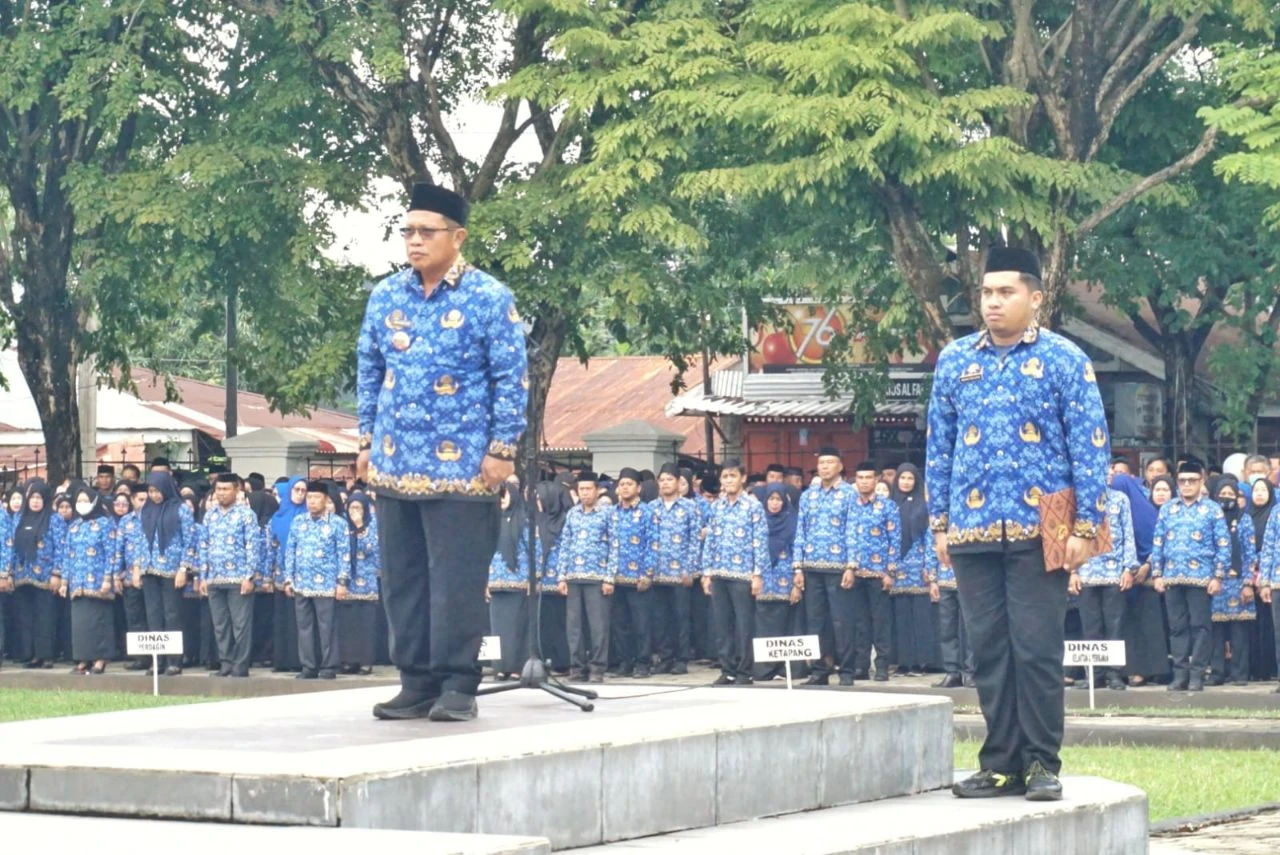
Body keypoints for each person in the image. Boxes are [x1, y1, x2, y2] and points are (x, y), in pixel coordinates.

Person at [927, 246, 1110, 802]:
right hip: (973, 527)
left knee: (1035, 649)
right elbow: (939, 445)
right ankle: (1000, 763)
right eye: (986, 292)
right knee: (987, 650)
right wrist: (939, 521)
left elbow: (1091, 444)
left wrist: (1087, 525)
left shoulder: (1064, 359)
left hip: (1043, 529)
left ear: (1035, 297)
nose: (993, 303)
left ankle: (1040, 764)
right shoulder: (955, 361)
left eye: (1006, 292)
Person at [356, 182, 527, 723]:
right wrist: (364, 440)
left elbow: (510, 377)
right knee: (403, 578)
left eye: (426, 231)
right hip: (394, 460)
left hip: (464, 466)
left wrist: (502, 449)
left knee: (455, 581)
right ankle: (416, 680)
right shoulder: (386, 295)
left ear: (458, 237)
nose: (414, 240)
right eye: (406, 231)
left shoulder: (489, 297)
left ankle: (458, 683)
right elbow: (367, 369)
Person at [1151, 461, 1231, 692]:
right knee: (1177, 628)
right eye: (1182, 481)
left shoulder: (1212, 509)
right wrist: (1157, 573)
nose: (1186, 485)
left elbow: (1223, 545)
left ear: (1201, 481)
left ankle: (1197, 674)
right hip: (1172, 577)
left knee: (1201, 627)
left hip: (1202, 578)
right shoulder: (1168, 508)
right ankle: (1180, 674)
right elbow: (1158, 542)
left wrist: (1218, 576)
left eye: (1192, 481)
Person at [791, 447, 858, 685]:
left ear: (840, 466)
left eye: (830, 462)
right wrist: (797, 568)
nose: (825, 467)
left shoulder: (850, 494)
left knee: (842, 621)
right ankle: (819, 670)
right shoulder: (809, 495)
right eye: (822, 463)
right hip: (811, 566)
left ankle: (847, 670)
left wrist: (851, 566)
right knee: (815, 622)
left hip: (839, 567)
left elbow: (853, 530)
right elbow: (801, 531)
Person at [702, 459, 769, 685]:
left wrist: (758, 574)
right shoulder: (717, 506)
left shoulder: (753, 506)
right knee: (722, 624)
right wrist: (707, 572)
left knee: (744, 625)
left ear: (743, 478)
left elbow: (760, 541)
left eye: (733, 476)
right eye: (725, 477)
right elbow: (710, 540)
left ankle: (744, 670)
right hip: (719, 572)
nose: (729, 480)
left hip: (743, 574)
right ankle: (727, 668)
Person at [1071, 481, 1138, 691]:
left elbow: (1129, 534)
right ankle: (1094, 674)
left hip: (1114, 571)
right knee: (1090, 626)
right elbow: (1068, 535)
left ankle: (1115, 674)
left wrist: (1129, 568)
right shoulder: (1078, 499)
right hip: (1086, 571)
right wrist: (1071, 571)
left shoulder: (1120, 499)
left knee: (1115, 625)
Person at [281, 481, 350, 681]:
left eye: (316, 497)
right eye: (309, 498)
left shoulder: (337, 523)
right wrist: (288, 578)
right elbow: (290, 551)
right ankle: (308, 666)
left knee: (327, 627)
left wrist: (342, 581)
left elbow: (344, 554)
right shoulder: (298, 522)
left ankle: (328, 666)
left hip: (327, 584)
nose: (312, 502)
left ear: (326, 499)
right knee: (304, 627)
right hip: (301, 583)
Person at [555, 471, 615, 683]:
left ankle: (597, 668)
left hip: (597, 576)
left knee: (598, 626)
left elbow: (614, 546)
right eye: (581, 489)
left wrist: (609, 578)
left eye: (589, 489)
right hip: (573, 577)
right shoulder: (573, 513)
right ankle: (577, 668)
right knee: (574, 627)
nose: (585, 493)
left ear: (597, 490)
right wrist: (561, 576)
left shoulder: (607, 513)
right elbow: (565, 545)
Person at [199, 473, 260, 678]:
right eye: (218, 489)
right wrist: (203, 576)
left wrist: (249, 576)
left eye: (226, 489)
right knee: (220, 624)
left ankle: (240, 664)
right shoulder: (210, 515)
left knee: (240, 624)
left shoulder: (246, 515)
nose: (222, 493)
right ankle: (225, 662)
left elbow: (252, 546)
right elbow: (204, 546)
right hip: (215, 577)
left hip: (238, 577)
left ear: (236, 490)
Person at [1112, 473, 1170, 686]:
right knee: (1128, 626)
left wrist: (1146, 566)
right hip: (1123, 577)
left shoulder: (1148, 514)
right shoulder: (1116, 510)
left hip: (1146, 579)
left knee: (1148, 624)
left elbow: (1159, 543)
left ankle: (1153, 670)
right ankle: (1132, 670)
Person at [850, 460, 900, 682]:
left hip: (879, 573)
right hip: (855, 572)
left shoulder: (888, 506)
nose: (864, 482)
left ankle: (882, 665)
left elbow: (895, 540)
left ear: (876, 479)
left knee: (881, 622)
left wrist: (891, 571)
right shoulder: (850, 505)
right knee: (859, 622)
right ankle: (861, 665)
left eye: (868, 477)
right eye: (860, 478)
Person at [60, 485, 118, 675]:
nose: (82, 504)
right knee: (80, 624)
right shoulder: (74, 526)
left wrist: (108, 578)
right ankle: (83, 659)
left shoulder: (105, 524)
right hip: (78, 582)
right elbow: (67, 555)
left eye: (86, 500)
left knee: (99, 622)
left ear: (94, 502)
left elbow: (111, 553)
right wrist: (64, 582)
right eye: (79, 501)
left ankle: (100, 659)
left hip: (99, 581)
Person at [648, 462, 700, 675]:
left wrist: (690, 569)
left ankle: (681, 659)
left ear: (679, 483)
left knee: (681, 617)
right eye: (662, 480)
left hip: (681, 574)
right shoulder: (651, 507)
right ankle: (665, 657)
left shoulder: (690, 507)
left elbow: (695, 540)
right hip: (657, 573)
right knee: (660, 619)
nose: (665, 483)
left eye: (670, 479)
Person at [1207, 477, 1256, 686]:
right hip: (1214, 581)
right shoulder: (1208, 518)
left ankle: (1239, 674)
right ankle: (1217, 672)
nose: (1226, 498)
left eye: (1231, 494)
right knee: (1214, 630)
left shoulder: (1244, 519)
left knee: (1239, 630)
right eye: (1222, 494)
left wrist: (1247, 583)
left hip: (1238, 582)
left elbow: (1250, 553)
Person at [12, 480, 67, 669]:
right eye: (32, 497)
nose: (35, 502)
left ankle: (47, 655)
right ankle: (33, 654)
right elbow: (12, 546)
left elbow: (61, 547)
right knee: (27, 618)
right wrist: (9, 573)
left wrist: (56, 573)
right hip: (22, 576)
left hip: (45, 577)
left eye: (39, 498)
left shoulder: (54, 519)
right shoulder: (20, 517)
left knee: (46, 617)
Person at [890, 463, 937, 677]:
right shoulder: (889, 505)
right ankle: (902, 662)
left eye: (910, 478)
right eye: (902, 478)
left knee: (921, 618)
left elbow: (929, 540)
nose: (906, 482)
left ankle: (922, 662)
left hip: (918, 568)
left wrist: (929, 567)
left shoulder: (924, 505)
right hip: (895, 568)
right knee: (900, 618)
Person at [610, 468, 655, 678]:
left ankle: (643, 663)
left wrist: (647, 573)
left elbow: (653, 544)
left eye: (629, 483)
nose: (625, 487)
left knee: (642, 623)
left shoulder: (647, 512)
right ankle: (624, 662)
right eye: (622, 484)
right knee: (620, 624)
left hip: (639, 578)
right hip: (616, 578)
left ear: (639, 488)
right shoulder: (612, 513)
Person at [754, 483, 800, 681]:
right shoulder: (758, 521)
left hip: (785, 580)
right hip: (763, 579)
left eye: (778, 499)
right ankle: (764, 669)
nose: (774, 504)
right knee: (762, 623)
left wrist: (797, 584)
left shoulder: (792, 522)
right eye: (771, 499)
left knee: (786, 623)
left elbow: (797, 551)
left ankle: (785, 668)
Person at [487, 482, 531, 681]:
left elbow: (532, 550)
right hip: (495, 582)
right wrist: (483, 582)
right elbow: (483, 553)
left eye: (505, 496)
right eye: (499, 496)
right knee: (496, 628)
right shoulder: (490, 521)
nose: (502, 500)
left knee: (516, 628)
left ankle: (516, 667)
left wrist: (532, 578)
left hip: (518, 581)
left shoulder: (524, 521)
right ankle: (498, 667)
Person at [339, 491, 381, 675]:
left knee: (365, 624)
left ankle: (365, 661)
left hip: (367, 581)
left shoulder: (373, 525)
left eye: (359, 508)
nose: (354, 511)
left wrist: (360, 527)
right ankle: (349, 660)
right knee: (348, 624)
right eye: (351, 507)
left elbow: (373, 550)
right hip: (347, 581)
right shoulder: (341, 525)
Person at [534, 480, 573, 674]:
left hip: (560, 581)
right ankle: (546, 659)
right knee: (545, 624)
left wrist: (562, 576)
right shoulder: (539, 520)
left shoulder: (566, 520)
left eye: (540, 498)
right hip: (542, 584)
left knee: (561, 623)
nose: (537, 502)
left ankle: (562, 661)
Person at [269, 477, 306, 672]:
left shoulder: (308, 517)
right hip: (280, 576)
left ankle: (300, 660)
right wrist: (268, 575)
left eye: (303, 490)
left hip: (303, 577)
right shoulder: (278, 517)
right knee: (282, 618)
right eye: (296, 490)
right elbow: (271, 547)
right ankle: (283, 660)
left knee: (300, 620)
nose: (300, 494)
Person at [1247, 478, 1277, 683]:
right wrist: (1264, 581)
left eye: (1262, 490)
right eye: (1255, 490)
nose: (1258, 493)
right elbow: (1269, 548)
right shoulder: (1277, 514)